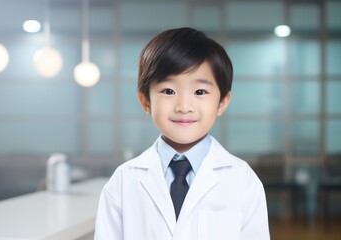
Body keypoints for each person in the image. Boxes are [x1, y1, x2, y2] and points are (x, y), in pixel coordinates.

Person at [94, 27, 270, 240]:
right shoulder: (123, 180)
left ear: (222, 102)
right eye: (168, 91)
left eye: (200, 92)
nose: (184, 106)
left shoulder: (243, 180)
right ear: (145, 101)